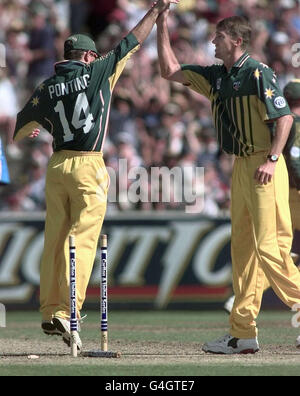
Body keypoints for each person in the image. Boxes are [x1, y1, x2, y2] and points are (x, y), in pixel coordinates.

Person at [13, 0, 179, 352]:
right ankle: (71, 309)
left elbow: (18, 128)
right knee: (83, 237)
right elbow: (132, 40)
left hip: (57, 165)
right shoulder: (100, 70)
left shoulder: (46, 86)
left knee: (55, 239)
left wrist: (33, 129)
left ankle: (52, 309)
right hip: (88, 164)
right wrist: (156, 10)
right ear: (88, 56)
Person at [156, 12, 300, 354]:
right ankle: (242, 333)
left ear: (236, 40)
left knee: (269, 247)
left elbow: (284, 119)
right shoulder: (216, 77)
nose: (212, 42)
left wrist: (273, 159)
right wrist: (161, 22)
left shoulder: (256, 72)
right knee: (244, 253)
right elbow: (169, 70)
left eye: (218, 37)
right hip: (241, 166)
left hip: (265, 161)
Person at [224, 78, 300, 315]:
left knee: (278, 252)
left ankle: (243, 301)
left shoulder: (278, 123)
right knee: (275, 251)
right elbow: (296, 158)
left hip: (282, 193)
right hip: (294, 193)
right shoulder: (295, 123)